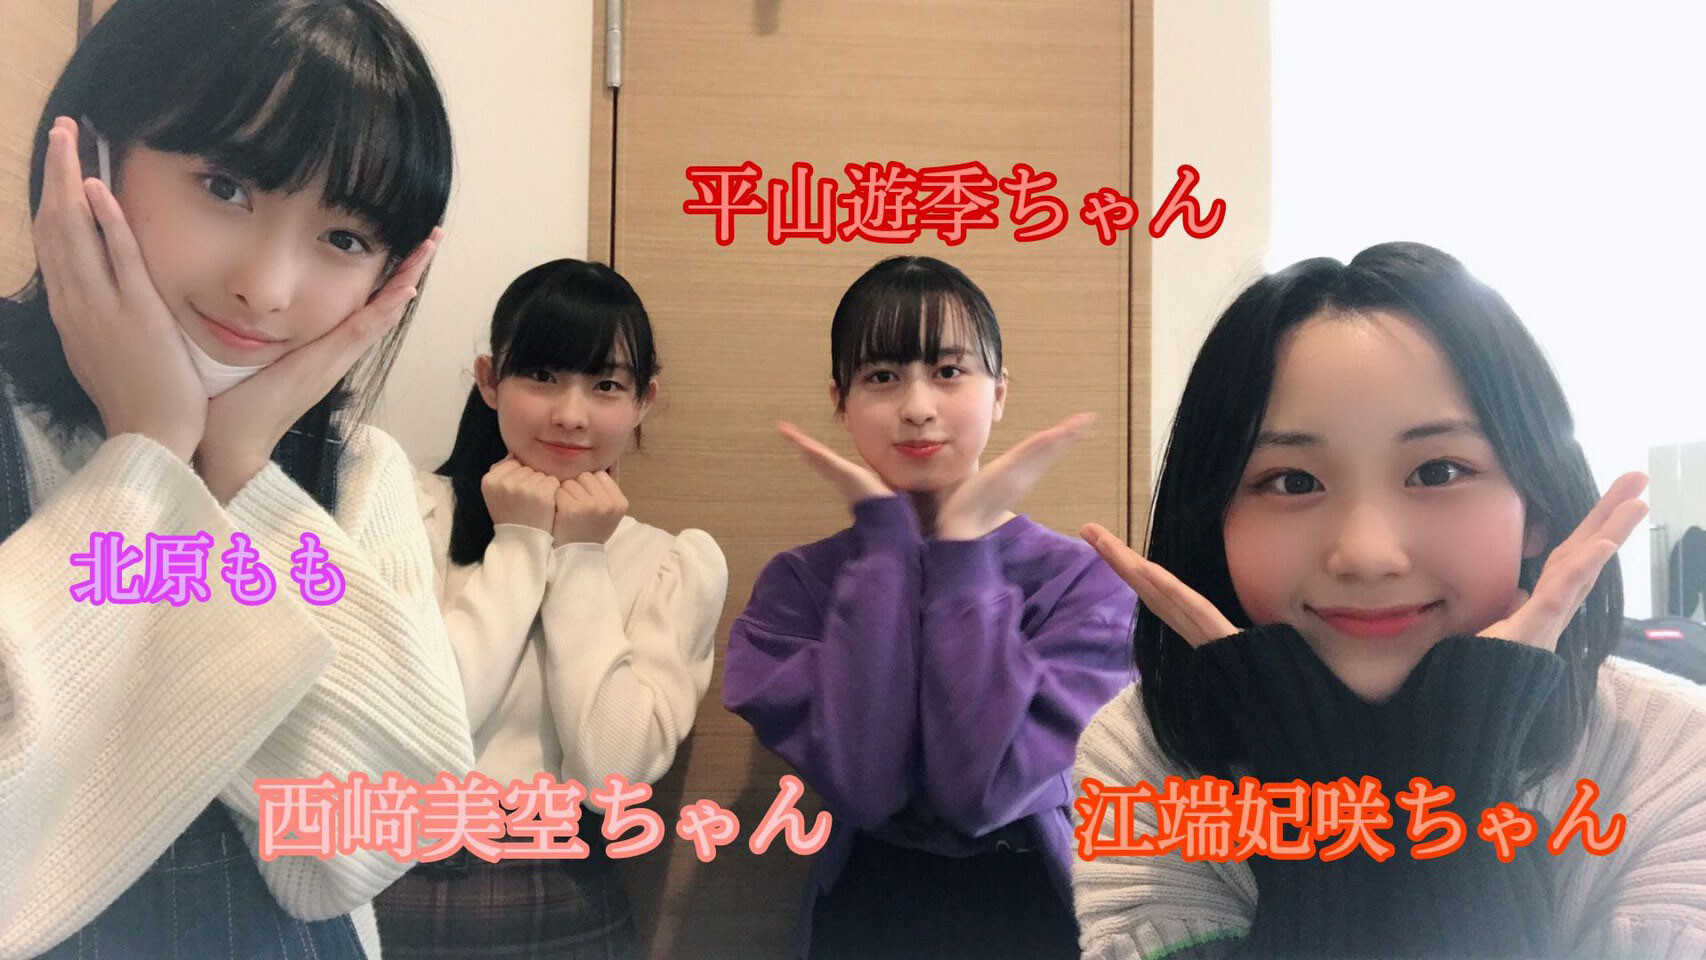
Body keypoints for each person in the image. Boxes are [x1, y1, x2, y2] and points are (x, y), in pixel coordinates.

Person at [1073, 241, 1706, 958]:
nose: (1367, 555)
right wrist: (1312, 783)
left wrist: (1456, 784)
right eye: (1291, 481)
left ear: (1537, 509)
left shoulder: (1671, 757)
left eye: (1438, 471)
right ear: (1213, 519)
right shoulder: (1148, 757)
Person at [0, 1, 474, 956]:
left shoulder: (358, 474)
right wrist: (148, 456)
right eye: (225, 186)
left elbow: (377, 837)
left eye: (344, 239)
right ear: (93, 154)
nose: (268, 287)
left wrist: (240, 474)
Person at [725, 255, 1137, 959]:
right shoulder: (797, 586)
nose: (917, 407)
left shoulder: (1084, 583)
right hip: (866, 913)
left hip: (1035, 912)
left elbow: (981, 795)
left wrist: (964, 549)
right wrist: (888, 549)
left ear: (999, 393)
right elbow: (866, 786)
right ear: (840, 401)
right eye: (882, 377)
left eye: (948, 371)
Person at [375, 258, 727, 959]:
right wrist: (520, 543)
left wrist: (581, 557)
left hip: (562, 900)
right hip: (380, 884)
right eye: (540, 375)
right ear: (489, 379)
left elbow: (612, 777)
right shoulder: (401, 512)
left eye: (606, 385)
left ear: (644, 400)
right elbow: (418, 737)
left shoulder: (671, 564)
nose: (571, 413)